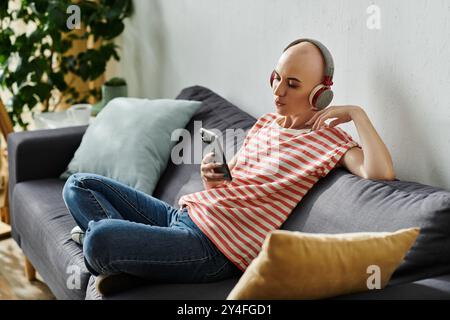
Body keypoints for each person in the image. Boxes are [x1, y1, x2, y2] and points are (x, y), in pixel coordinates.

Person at [63, 38, 395, 295]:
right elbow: (228, 183)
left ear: (321, 94)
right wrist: (213, 176)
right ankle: (131, 263)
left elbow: (379, 173)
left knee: (98, 240)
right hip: (183, 216)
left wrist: (357, 115)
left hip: (213, 250)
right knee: (78, 184)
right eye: (276, 78)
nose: (278, 92)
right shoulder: (267, 123)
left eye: (292, 84)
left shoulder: (331, 142)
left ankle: (119, 252)